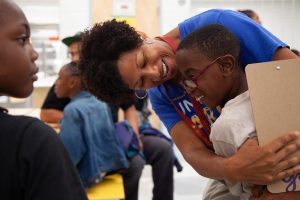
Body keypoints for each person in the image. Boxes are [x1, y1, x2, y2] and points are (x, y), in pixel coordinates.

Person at [78, 9, 300, 199]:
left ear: (140, 35)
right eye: (142, 81)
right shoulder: (160, 94)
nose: (154, 74)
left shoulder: (220, 23)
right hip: (232, 167)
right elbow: (192, 151)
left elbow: (294, 77)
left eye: (143, 60)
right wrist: (234, 168)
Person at [176, 23, 300, 199]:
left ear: (226, 65)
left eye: (192, 76)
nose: (189, 89)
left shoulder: (225, 129)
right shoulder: (282, 92)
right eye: (184, 83)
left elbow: (242, 192)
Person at [0, 1, 88, 199]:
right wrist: (74, 117)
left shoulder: (102, 81)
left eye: (79, 53)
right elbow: (46, 111)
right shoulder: (32, 141)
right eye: (23, 40)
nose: (35, 53)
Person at [55, 62, 145, 199]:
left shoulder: (72, 110)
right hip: (106, 168)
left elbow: (71, 156)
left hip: (88, 176)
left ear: (72, 83)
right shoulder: (100, 102)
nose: (56, 83)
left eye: (59, 78)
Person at [109, 97, 178, 200]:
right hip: (105, 143)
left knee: (163, 148)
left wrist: (135, 138)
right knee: (135, 163)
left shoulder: (114, 83)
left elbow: (129, 107)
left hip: (123, 135)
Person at [40, 32, 83, 123]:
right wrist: (77, 120)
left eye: (80, 53)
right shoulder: (67, 78)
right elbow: (45, 113)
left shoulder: (109, 77)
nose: (75, 58)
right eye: (72, 54)